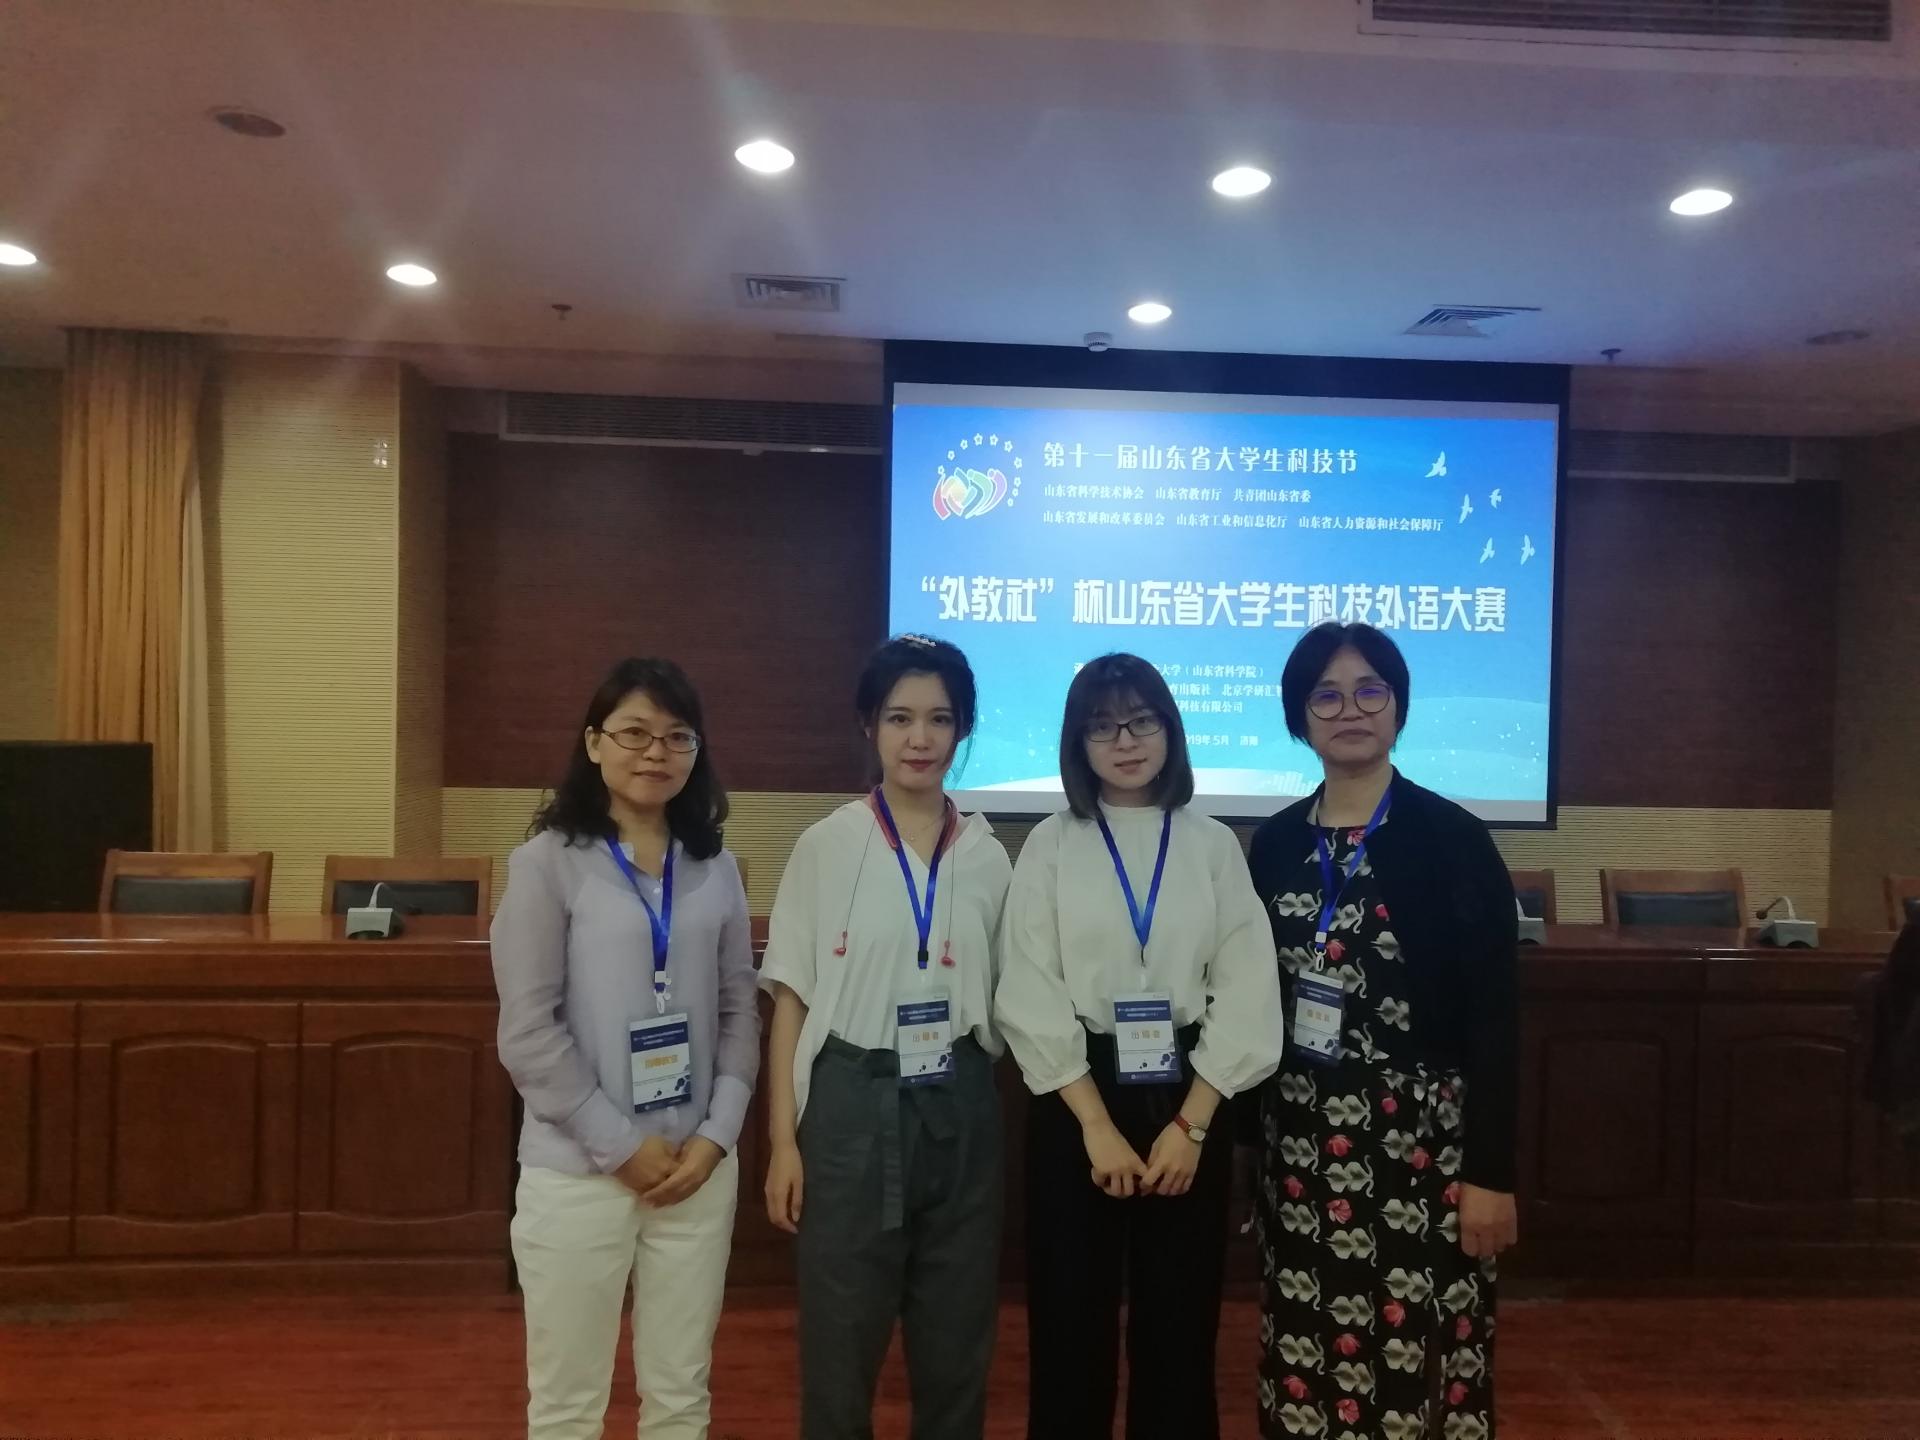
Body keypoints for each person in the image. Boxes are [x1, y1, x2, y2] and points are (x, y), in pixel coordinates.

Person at [995, 652, 1285, 1440]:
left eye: (1141, 721)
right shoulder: (1052, 844)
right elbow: (1029, 987)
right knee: (1069, 1319)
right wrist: (1094, 1125)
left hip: (1189, 1090)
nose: (1125, 741)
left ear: (1170, 729)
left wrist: (1193, 1125)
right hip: (1077, 1092)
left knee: (1180, 1322)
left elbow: (1247, 988)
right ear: (1077, 744)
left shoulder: (1213, 845)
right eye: (1102, 727)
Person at [1243, 622, 1518, 1440]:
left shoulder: (1453, 838)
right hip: (1300, 1147)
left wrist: (1492, 1175)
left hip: (1422, 1154)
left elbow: (1496, 1015)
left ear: (1398, 706)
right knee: (1304, 1354)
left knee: (1418, 1360)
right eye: (1326, 695)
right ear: (1299, 717)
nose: (1351, 710)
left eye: (1371, 690)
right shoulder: (1276, 844)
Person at [491, 657, 760, 1440]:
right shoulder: (546, 864)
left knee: (681, 1397)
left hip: (694, 1171)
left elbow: (740, 1009)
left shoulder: (715, 867)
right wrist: (620, 1146)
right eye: (635, 733)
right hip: (580, 1172)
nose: (656, 753)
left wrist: (716, 1137)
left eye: (678, 737)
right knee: (569, 1405)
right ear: (594, 743)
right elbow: (529, 1032)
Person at [759, 634, 1014, 1440]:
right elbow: (790, 1002)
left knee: (957, 1344)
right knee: (840, 1346)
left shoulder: (989, 856)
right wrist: (784, 1143)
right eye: (900, 717)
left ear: (962, 729)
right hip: (850, 1103)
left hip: (961, 1101)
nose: (920, 738)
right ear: (869, 725)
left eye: (940, 718)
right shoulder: (827, 845)